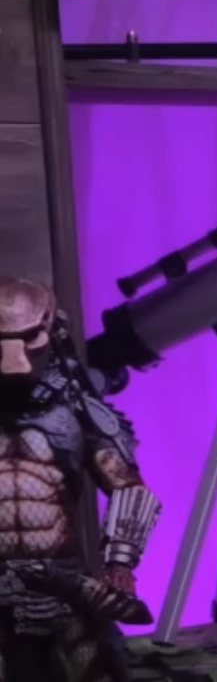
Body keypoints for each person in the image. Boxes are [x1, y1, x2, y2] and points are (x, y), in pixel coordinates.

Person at [0, 277, 161, 681]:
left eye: (29, 337)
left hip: (64, 587)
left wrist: (119, 565)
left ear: (52, 331)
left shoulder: (78, 413)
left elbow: (129, 489)